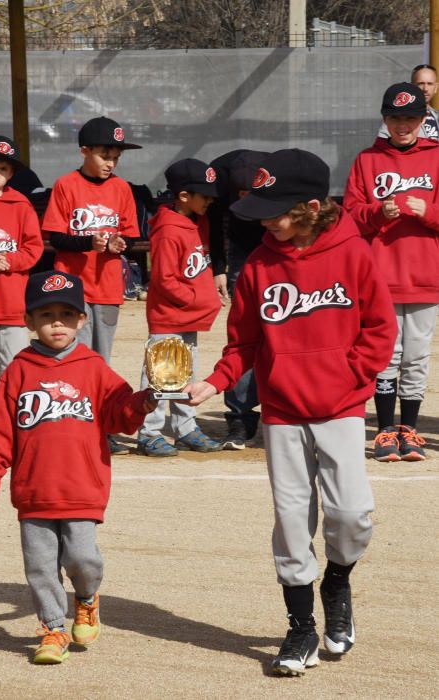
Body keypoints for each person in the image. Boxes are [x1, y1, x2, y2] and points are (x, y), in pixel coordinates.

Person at [184, 149, 397, 675]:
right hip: (280, 411)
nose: (264, 220)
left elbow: (380, 329)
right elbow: (243, 343)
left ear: (308, 206)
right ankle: (301, 629)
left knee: (351, 514)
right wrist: (214, 382)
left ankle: (338, 582)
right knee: (290, 521)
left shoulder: (354, 253)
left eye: (274, 210)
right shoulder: (259, 264)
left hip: (341, 406)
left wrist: (350, 375)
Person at [0, 270, 156, 664]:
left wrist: (142, 403)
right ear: (28, 321)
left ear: (81, 319)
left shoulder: (93, 366)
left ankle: (87, 598)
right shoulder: (19, 370)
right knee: (40, 568)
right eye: (45, 315)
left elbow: (119, 412)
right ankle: (53, 629)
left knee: (82, 559)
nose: (56, 322)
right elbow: (1, 426)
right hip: (34, 490)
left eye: (65, 314)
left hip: (81, 487)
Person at [345, 81, 439, 462]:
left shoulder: (436, 157)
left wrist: (427, 212)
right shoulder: (367, 159)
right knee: (385, 354)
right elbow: (350, 216)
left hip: (425, 274)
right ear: (385, 119)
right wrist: (375, 212)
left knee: (416, 356)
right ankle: (385, 430)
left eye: (411, 118)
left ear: (422, 119)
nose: (403, 124)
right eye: (396, 117)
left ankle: (410, 430)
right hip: (380, 274)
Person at [42, 116, 142, 454]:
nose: (110, 163)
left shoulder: (122, 189)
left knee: (101, 362)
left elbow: (129, 234)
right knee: (72, 358)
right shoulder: (66, 185)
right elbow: (55, 237)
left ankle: (101, 425)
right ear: (84, 151)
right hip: (73, 290)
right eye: (104, 155)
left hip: (108, 289)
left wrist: (118, 244)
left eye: (115, 157)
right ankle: (70, 423)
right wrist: (89, 243)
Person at [137, 158, 223, 457]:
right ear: (184, 196)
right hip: (169, 316)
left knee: (186, 373)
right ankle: (149, 432)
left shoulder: (199, 222)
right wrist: (198, 299)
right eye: (205, 195)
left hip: (189, 316)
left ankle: (184, 427)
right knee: (160, 374)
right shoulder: (168, 230)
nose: (210, 200)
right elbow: (163, 279)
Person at [0, 134, 43, 463]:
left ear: (11, 174)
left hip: (13, 310)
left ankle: (18, 429)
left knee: (16, 373)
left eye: (2, 168)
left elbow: (33, 248)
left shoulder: (21, 205)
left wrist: (7, 261)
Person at [208, 149, 270, 449]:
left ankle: (280, 412)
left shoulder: (276, 172)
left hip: (275, 238)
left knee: (280, 327)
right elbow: (212, 222)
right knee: (244, 331)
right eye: (240, 193)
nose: (246, 197)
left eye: (251, 193)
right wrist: (218, 268)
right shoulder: (217, 179)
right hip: (240, 243)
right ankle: (239, 418)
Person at [378, 65, 439, 140]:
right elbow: (384, 144)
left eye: (430, 84)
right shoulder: (396, 115)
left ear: (436, 87)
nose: (425, 89)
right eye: (420, 83)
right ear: (412, 86)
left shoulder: (436, 116)